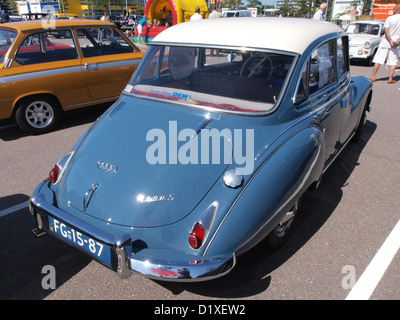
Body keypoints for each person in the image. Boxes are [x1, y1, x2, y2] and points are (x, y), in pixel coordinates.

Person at [370, 5, 400, 84]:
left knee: (378, 60)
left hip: (385, 42)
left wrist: (390, 41)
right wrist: (397, 42)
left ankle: (373, 76)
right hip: (395, 44)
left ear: (396, 10)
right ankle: (390, 78)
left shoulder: (389, 18)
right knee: (393, 62)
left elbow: (386, 31)